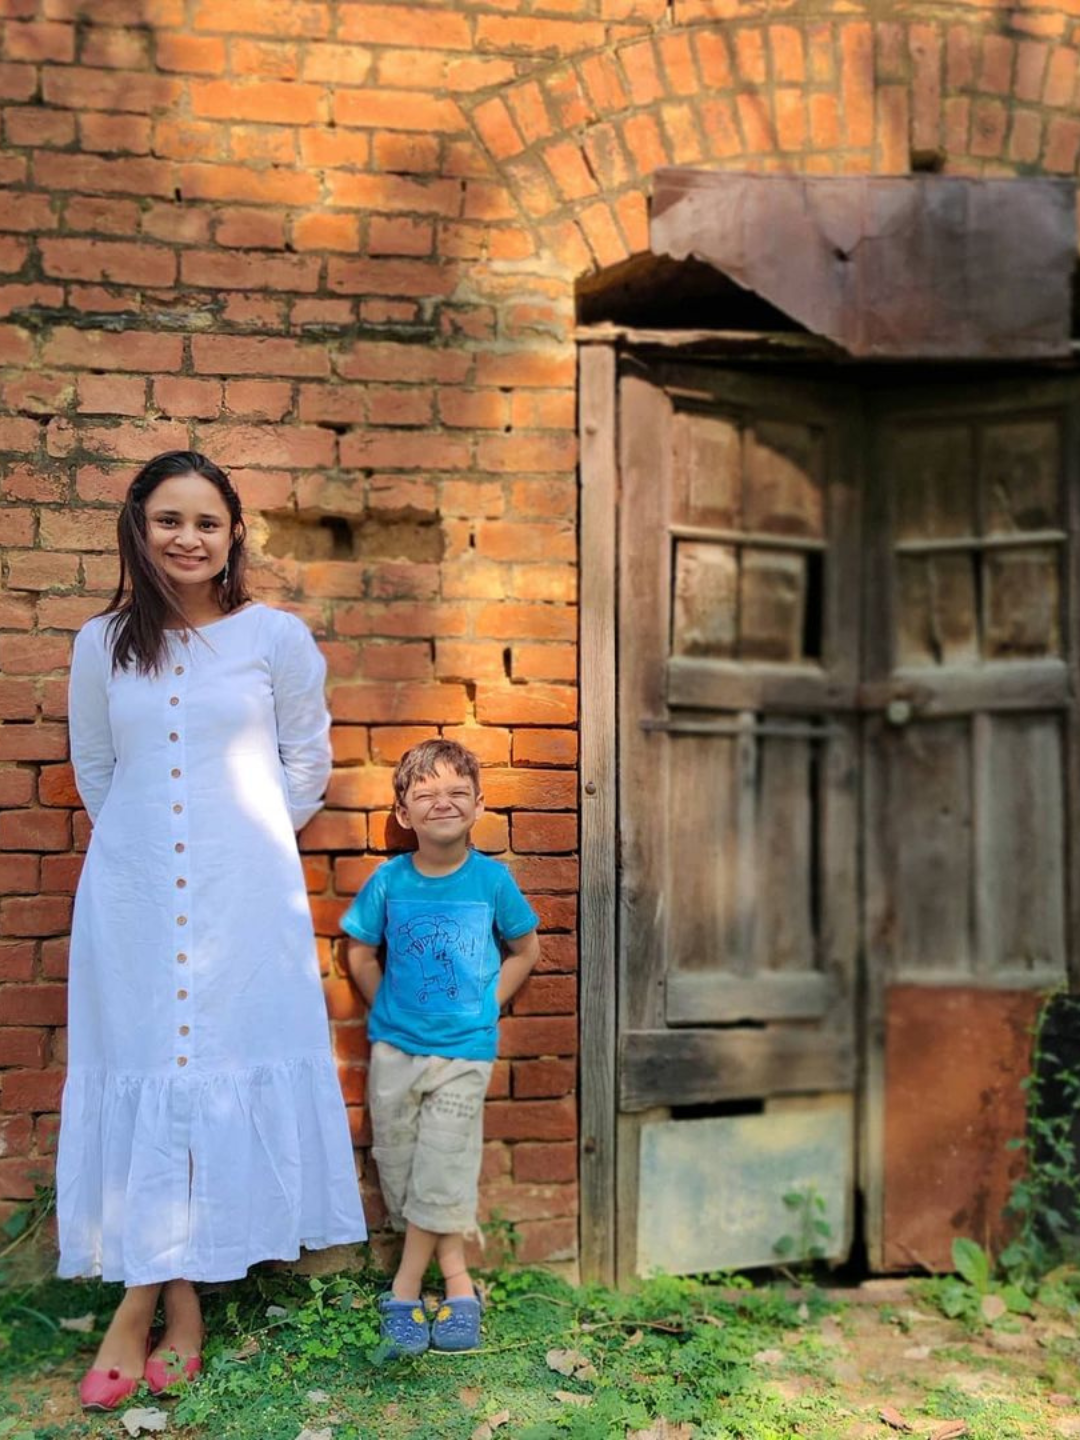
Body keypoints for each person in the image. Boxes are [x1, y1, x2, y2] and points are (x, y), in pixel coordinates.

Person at [59, 451, 367, 1411]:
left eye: (206, 521)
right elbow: (98, 772)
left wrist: (245, 842)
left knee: (216, 1064)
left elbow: (306, 761)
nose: (187, 538)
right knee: (156, 1068)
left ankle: (139, 1305)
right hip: (138, 895)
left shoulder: (274, 638)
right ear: (138, 531)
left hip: (246, 896)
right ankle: (179, 1299)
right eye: (167, 520)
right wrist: (151, 856)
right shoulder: (101, 642)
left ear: (234, 533)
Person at [342, 739, 540, 1355]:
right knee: (402, 1172)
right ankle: (457, 1279)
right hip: (395, 1051)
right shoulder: (389, 880)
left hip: (464, 1052)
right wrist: (385, 1007)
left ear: (479, 804)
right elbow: (359, 951)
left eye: (457, 792)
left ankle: (403, 1291)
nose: (442, 803)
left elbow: (526, 950)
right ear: (403, 813)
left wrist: (488, 1002)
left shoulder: (492, 881)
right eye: (425, 794)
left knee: (441, 1164)